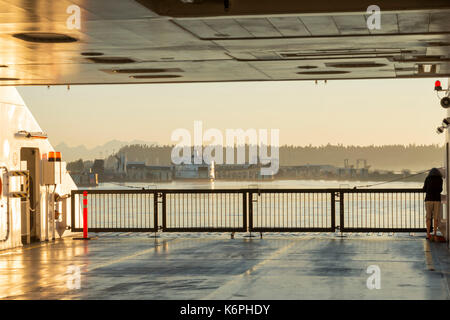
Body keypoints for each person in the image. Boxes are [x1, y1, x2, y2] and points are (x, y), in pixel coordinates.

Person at [423, 168, 443, 240]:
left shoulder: (427, 178)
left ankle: (428, 234)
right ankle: (434, 233)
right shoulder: (440, 179)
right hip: (437, 200)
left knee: (428, 217)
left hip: (428, 200)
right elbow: (441, 189)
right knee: (436, 217)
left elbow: (424, 189)